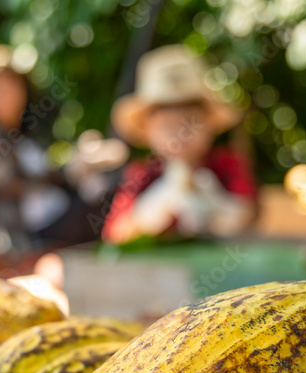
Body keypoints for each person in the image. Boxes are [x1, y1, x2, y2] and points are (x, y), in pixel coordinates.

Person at [0, 46, 126, 267]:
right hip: (31, 239)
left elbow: (47, 177)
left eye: (9, 86)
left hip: (58, 220)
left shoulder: (21, 136)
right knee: (113, 191)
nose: (3, 95)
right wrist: (69, 172)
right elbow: (12, 182)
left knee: (113, 181)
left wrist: (81, 166)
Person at [104, 45, 259, 245]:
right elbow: (114, 234)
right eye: (167, 126)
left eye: (189, 123)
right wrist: (150, 212)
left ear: (209, 123)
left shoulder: (229, 164)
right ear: (148, 132)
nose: (180, 135)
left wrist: (217, 209)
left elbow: (250, 216)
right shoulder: (141, 175)